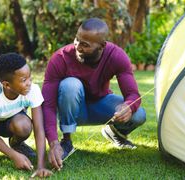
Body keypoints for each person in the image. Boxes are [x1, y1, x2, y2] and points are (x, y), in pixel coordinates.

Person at [42, 17, 146, 170]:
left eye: (85, 44)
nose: (78, 46)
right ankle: (66, 141)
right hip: (72, 110)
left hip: (100, 104)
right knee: (70, 85)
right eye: (77, 40)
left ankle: (115, 132)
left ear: (102, 46)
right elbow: (48, 105)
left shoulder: (116, 55)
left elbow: (133, 94)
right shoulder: (60, 58)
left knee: (139, 114)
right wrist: (53, 142)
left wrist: (128, 106)